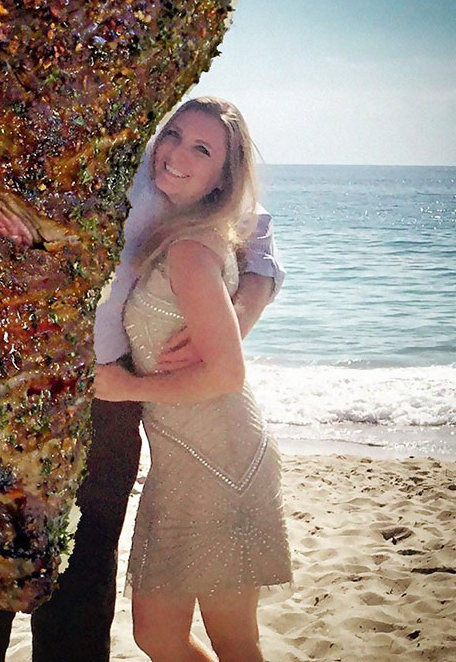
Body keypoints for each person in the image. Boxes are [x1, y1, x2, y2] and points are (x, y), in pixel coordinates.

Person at [0, 99, 286, 662]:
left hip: (105, 403)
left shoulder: (150, 156)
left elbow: (253, 232)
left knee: (82, 583)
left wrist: (237, 314)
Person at [94, 97, 292, 662]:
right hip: (179, 460)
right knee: (157, 635)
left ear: (222, 177)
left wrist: (128, 388)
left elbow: (228, 373)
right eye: (174, 135)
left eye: (201, 149)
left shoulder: (189, 248)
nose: (177, 154)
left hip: (221, 457)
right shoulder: (181, 228)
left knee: (235, 641)